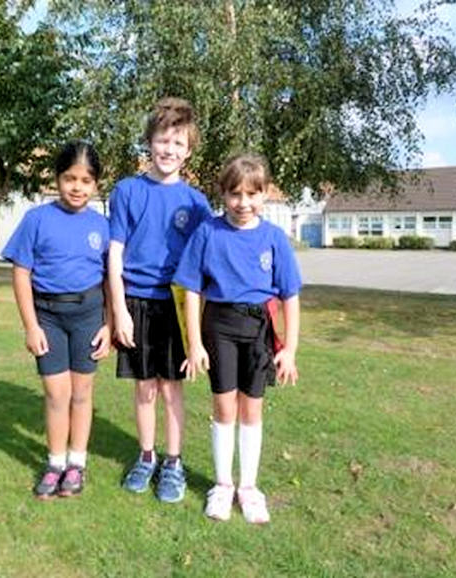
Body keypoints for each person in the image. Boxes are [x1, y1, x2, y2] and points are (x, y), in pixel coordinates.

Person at [173, 153, 302, 523]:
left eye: (252, 194)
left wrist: (289, 349)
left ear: (265, 194)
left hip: (258, 329)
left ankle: (248, 487)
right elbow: (193, 290)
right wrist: (194, 343)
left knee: (252, 408)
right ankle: (222, 485)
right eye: (235, 195)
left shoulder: (275, 239)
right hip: (219, 326)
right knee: (224, 406)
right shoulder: (207, 233)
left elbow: (290, 295)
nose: (243, 203)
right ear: (223, 195)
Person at [109, 97, 212, 503]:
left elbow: (207, 264)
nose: (169, 150)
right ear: (149, 142)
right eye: (162, 140)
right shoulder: (127, 191)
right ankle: (146, 456)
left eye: (178, 143)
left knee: (172, 390)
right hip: (135, 301)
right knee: (144, 389)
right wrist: (119, 310)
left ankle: (173, 462)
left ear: (188, 150)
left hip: (176, 305)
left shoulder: (197, 203)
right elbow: (114, 254)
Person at [1, 141, 112, 500]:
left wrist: (109, 325)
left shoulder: (103, 226)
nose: (77, 187)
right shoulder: (37, 219)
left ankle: (76, 465)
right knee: (55, 394)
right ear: (56, 179)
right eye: (69, 178)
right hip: (47, 315)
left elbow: (112, 278)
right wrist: (31, 326)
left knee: (81, 394)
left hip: (89, 316)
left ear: (96, 184)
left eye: (86, 180)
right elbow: (21, 274)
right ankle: (54, 463)